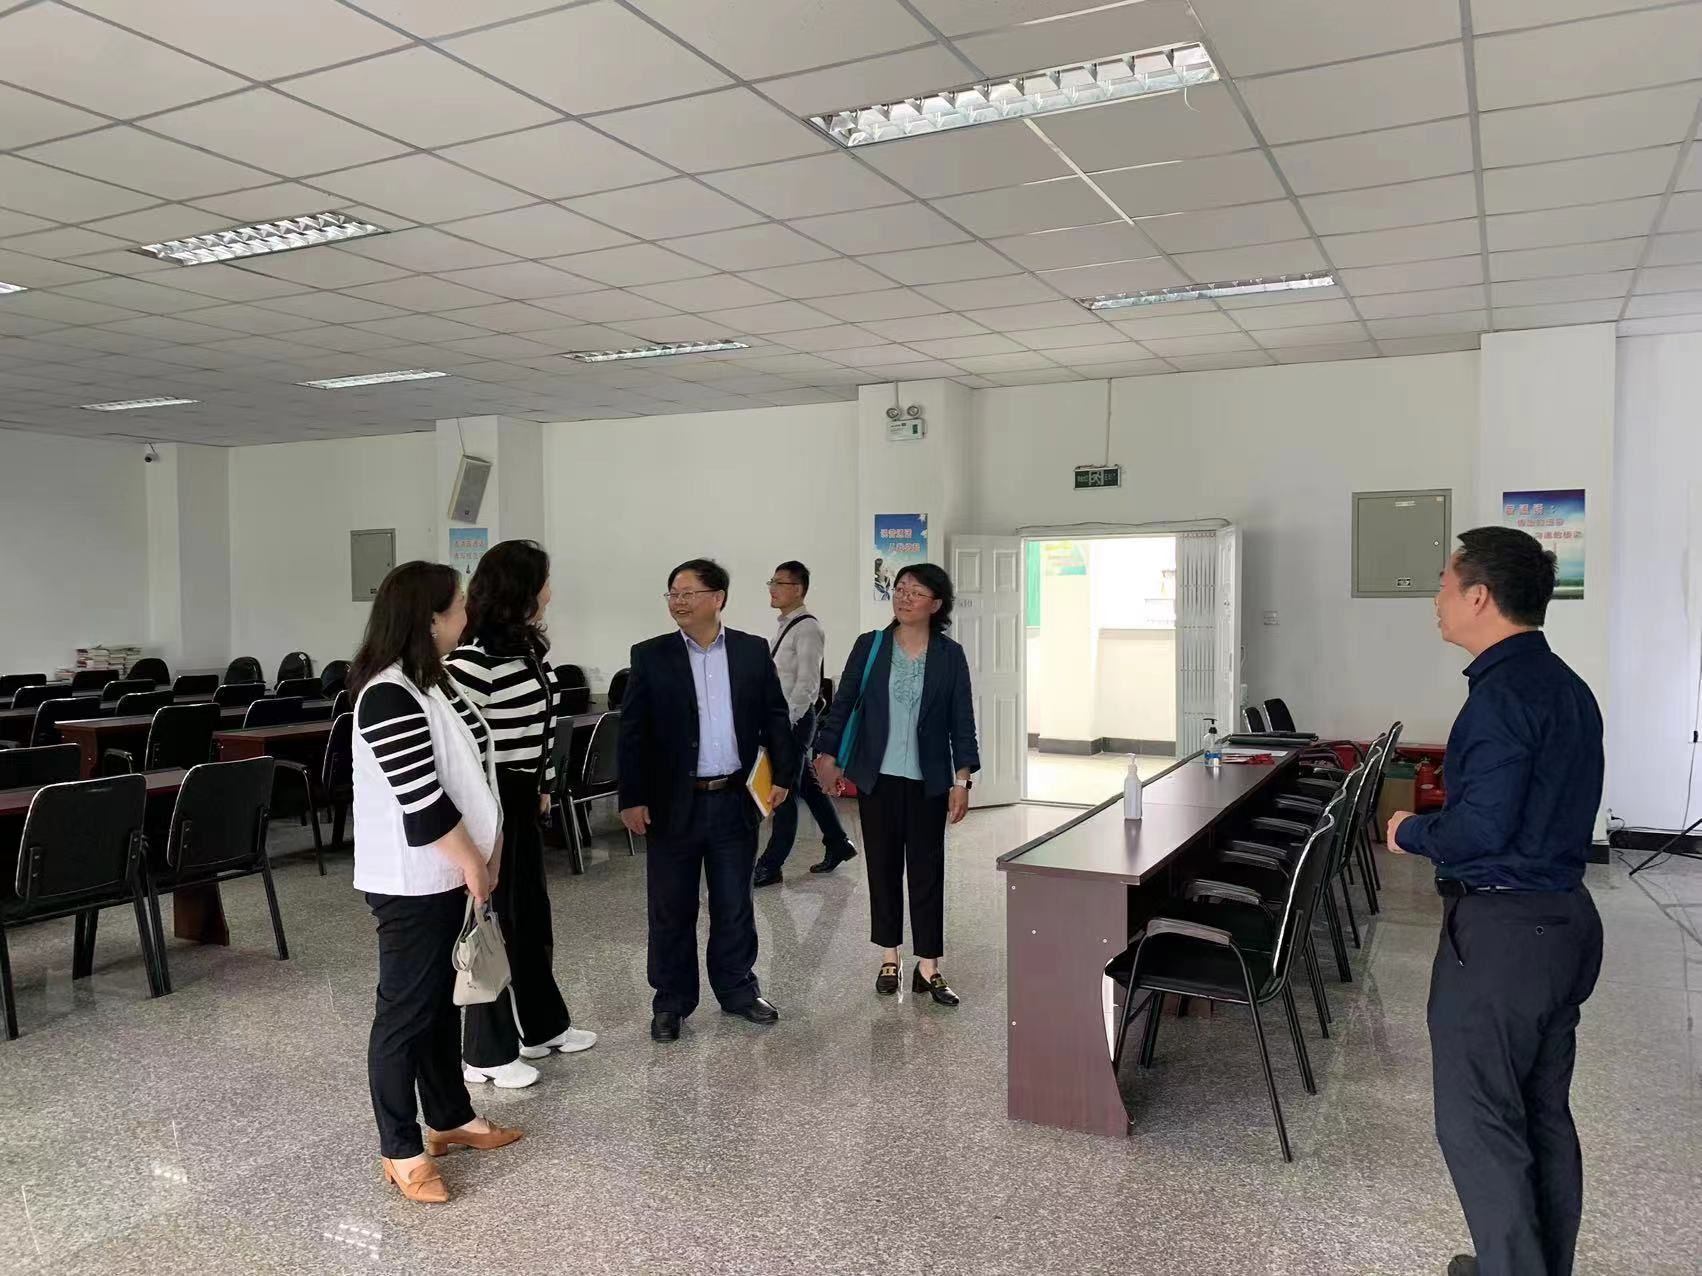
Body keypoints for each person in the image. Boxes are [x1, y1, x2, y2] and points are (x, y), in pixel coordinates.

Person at [1385, 527, 1604, 1276]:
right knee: (1540, 1113)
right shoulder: (1567, 687)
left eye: (1445, 586)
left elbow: (1480, 829)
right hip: (1563, 921)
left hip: (1507, 935)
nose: (1437, 600)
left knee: (1477, 1121)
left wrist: (1409, 830)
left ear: (1479, 597)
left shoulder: (1501, 699)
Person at [350, 561, 521, 1205]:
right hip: (414, 881)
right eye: (459, 605)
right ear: (429, 618)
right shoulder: (386, 693)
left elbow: (472, 771)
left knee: (440, 1004)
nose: (467, 614)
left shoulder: (433, 682)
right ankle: (399, 1148)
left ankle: (449, 1116)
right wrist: (475, 861)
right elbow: (421, 799)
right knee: (405, 1013)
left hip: (451, 870)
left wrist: (489, 848)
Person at [617, 559, 795, 1042]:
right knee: (671, 908)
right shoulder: (651, 656)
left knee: (734, 903)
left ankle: (738, 990)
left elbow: (775, 717)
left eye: (688, 592)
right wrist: (631, 797)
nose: (678, 601)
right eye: (673, 593)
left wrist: (783, 775)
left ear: (718, 598)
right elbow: (632, 733)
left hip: (733, 799)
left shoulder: (751, 651)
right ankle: (670, 1002)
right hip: (673, 803)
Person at [449, 540, 597, 1090]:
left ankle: (542, 1025)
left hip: (523, 797)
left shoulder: (526, 650)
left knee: (531, 917)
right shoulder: (472, 661)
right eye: (544, 581)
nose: (550, 591)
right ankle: (484, 1052)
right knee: (491, 921)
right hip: (489, 804)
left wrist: (543, 787)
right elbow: (458, 748)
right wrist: (482, 817)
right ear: (523, 590)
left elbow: (543, 729)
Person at [814, 563, 979, 1006]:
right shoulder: (870, 646)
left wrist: (962, 780)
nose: (905, 597)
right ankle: (890, 956)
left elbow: (962, 721)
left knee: (927, 871)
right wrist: (827, 755)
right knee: (883, 868)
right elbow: (844, 703)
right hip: (877, 778)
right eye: (901, 589)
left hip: (928, 781)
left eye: (916, 592)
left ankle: (929, 965)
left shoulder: (949, 655)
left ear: (936, 604)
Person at [753, 560, 858, 888]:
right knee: (807, 786)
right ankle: (838, 843)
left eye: (779, 583)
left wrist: (785, 725)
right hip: (785, 719)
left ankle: (771, 864)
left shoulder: (808, 628)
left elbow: (808, 684)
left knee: (783, 790)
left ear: (797, 589)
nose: (772, 588)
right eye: (771, 582)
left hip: (795, 721)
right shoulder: (787, 626)